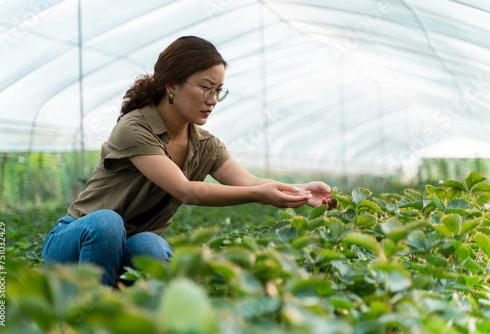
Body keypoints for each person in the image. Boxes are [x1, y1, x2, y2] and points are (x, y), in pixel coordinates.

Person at [42, 36, 337, 287]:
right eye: (206, 87)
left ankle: (133, 314)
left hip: (126, 248)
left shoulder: (205, 145)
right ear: (172, 85)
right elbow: (187, 190)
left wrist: (301, 189)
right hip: (77, 242)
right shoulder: (135, 127)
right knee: (108, 222)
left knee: (150, 245)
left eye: (219, 91)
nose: (213, 99)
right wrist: (258, 196)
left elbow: (251, 182)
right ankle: (89, 310)